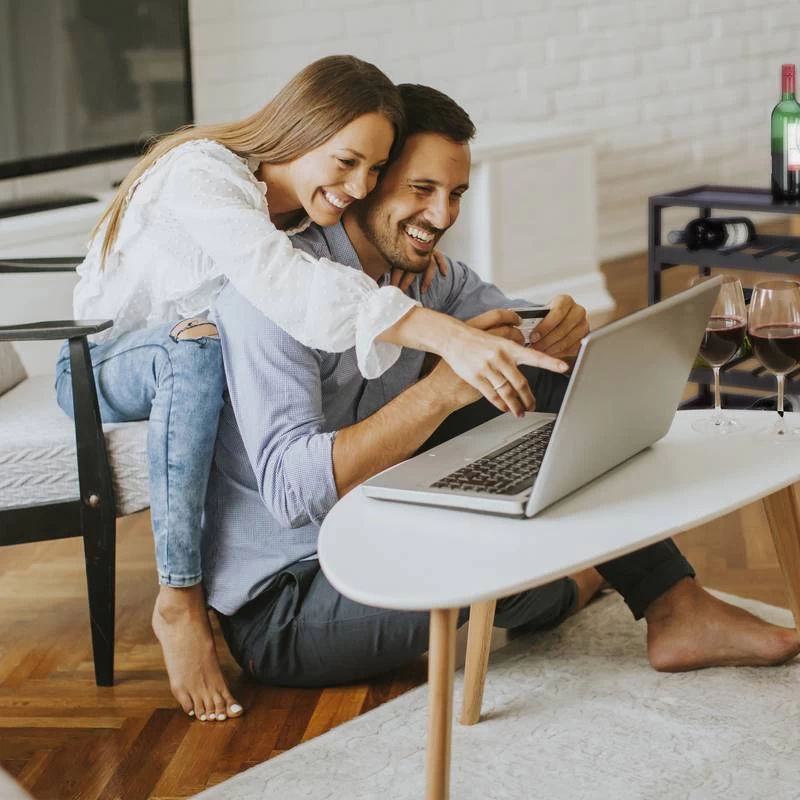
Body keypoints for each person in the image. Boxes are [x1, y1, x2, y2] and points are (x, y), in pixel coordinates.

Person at [204, 82, 800, 696]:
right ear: (368, 181)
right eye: (421, 190)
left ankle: (674, 606)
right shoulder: (274, 298)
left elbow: (520, 333)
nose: (442, 217)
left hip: (386, 521)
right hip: (294, 596)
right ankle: (583, 577)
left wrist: (559, 330)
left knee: (537, 377)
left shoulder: (432, 279)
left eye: (455, 193)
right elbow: (290, 491)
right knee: (521, 574)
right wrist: (439, 391)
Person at [54, 55, 570, 723]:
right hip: (104, 361)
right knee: (198, 352)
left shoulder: (303, 215)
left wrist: (542, 325)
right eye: (349, 162)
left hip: (225, 378)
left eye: (375, 171)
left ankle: (599, 583)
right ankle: (177, 598)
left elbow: (329, 282)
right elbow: (286, 284)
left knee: (531, 391)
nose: (359, 186)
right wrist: (442, 339)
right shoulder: (204, 177)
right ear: (301, 131)